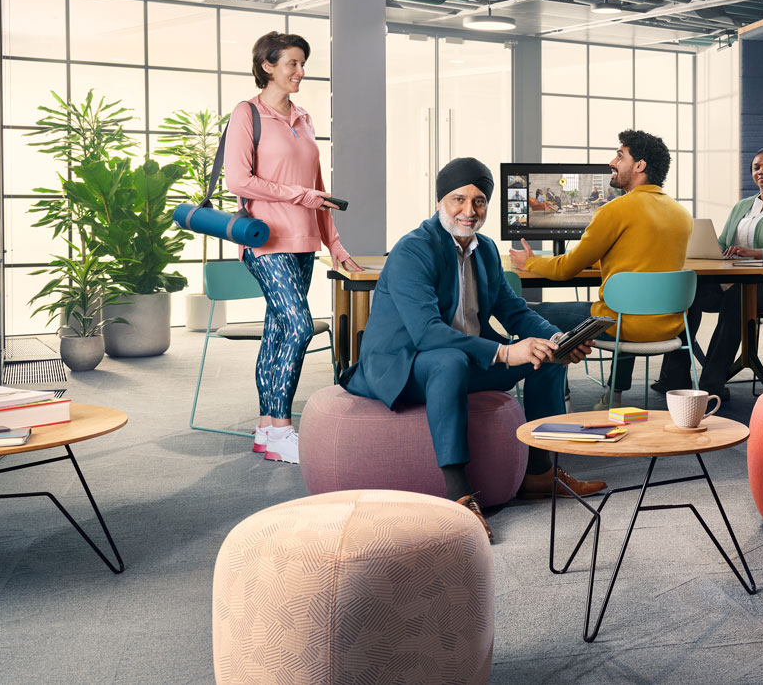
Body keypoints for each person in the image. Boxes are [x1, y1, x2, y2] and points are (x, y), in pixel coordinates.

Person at [339, 157, 607, 538]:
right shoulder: (413, 251)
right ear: (439, 203)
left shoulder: (484, 251)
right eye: (458, 200)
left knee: (546, 358)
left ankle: (539, 473)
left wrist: (557, 340)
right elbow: (427, 333)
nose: (469, 211)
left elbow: (514, 311)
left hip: (465, 360)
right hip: (404, 366)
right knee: (448, 361)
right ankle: (459, 496)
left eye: (479, 201)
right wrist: (503, 352)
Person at [223, 31, 361, 465]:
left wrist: (334, 244)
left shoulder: (303, 117)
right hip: (266, 240)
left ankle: (266, 429)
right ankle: (283, 429)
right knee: (300, 326)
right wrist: (297, 196)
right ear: (267, 65)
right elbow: (238, 181)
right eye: (292, 64)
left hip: (303, 242)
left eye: (303, 64)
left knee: (279, 330)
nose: (300, 72)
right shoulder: (247, 113)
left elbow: (317, 190)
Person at [511, 129, 693, 409]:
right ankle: (614, 395)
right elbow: (640, 258)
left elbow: (566, 269)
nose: (612, 162)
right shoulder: (681, 214)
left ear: (639, 166)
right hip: (668, 327)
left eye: (620, 156)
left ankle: (561, 397)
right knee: (630, 305)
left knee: (531, 313)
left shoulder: (614, 210)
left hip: (621, 325)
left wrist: (529, 262)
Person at [656, 148, 763, 400]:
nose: (761, 171)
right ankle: (673, 378)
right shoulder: (743, 206)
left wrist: (755, 252)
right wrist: (714, 247)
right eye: (756, 167)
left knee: (737, 299)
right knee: (689, 293)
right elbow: (721, 241)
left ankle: (711, 385)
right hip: (736, 281)